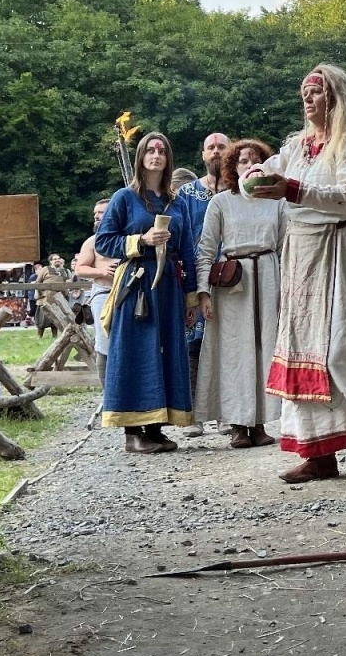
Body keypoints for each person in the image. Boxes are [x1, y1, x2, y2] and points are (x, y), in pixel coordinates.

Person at [252, 64, 346, 481]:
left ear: (335, 97)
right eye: (304, 92)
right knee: (304, 351)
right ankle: (319, 454)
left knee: (344, 349)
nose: (307, 99)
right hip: (301, 254)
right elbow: (270, 169)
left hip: (341, 251)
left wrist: (293, 190)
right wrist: (255, 174)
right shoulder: (297, 146)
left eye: (316, 92)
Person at [95, 132, 199, 454]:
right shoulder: (124, 198)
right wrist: (140, 241)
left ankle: (154, 429)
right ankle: (132, 434)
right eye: (150, 150)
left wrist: (191, 297)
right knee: (134, 353)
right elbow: (104, 241)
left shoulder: (177, 202)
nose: (156, 155)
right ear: (141, 157)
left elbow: (187, 251)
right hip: (137, 284)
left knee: (166, 353)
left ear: (168, 158)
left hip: (169, 285)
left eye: (162, 151)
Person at [195, 139, 284, 449]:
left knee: (264, 350)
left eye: (256, 159)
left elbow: (286, 247)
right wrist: (203, 292)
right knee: (235, 352)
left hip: (269, 277)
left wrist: (287, 290)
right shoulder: (221, 202)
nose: (250, 164)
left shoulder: (277, 202)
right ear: (233, 167)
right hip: (234, 282)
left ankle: (259, 423)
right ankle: (237, 424)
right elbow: (206, 249)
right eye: (243, 160)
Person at [174, 135, 228, 431]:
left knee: (227, 346)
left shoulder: (238, 189)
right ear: (203, 154)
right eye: (211, 147)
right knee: (193, 345)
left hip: (232, 277)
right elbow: (179, 233)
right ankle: (194, 414)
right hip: (195, 275)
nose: (217, 151)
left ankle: (226, 414)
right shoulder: (186, 192)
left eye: (222, 147)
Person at [73, 196, 120, 390]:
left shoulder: (127, 237)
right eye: (95, 214)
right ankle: (109, 395)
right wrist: (102, 271)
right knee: (105, 345)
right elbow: (80, 269)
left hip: (131, 294)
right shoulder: (92, 242)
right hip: (103, 294)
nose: (97, 217)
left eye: (101, 213)